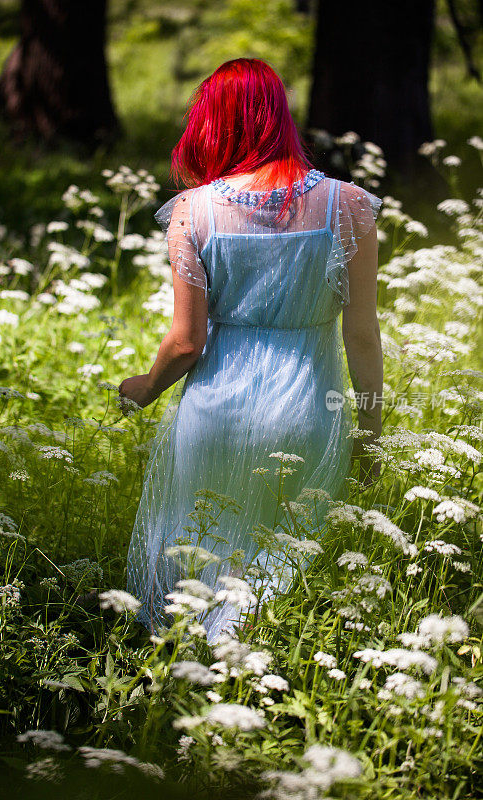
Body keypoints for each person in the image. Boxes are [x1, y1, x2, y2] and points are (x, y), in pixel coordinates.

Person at [119, 58, 383, 643]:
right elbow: (361, 335)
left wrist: (143, 388)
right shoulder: (350, 207)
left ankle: (180, 687)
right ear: (280, 119)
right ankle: (246, 680)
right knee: (275, 572)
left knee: (197, 558)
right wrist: (370, 431)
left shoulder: (195, 210)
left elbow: (186, 344)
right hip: (308, 409)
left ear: (209, 125)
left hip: (214, 411)